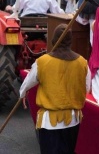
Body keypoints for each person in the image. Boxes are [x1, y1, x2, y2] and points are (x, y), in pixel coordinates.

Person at [20, 23, 91, 154]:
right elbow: (86, 88)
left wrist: (23, 94)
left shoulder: (42, 62)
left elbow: (27, 84)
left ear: (54, 40)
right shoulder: (82, 63)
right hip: (72, 120)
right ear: (70, 41)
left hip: (49, 122)